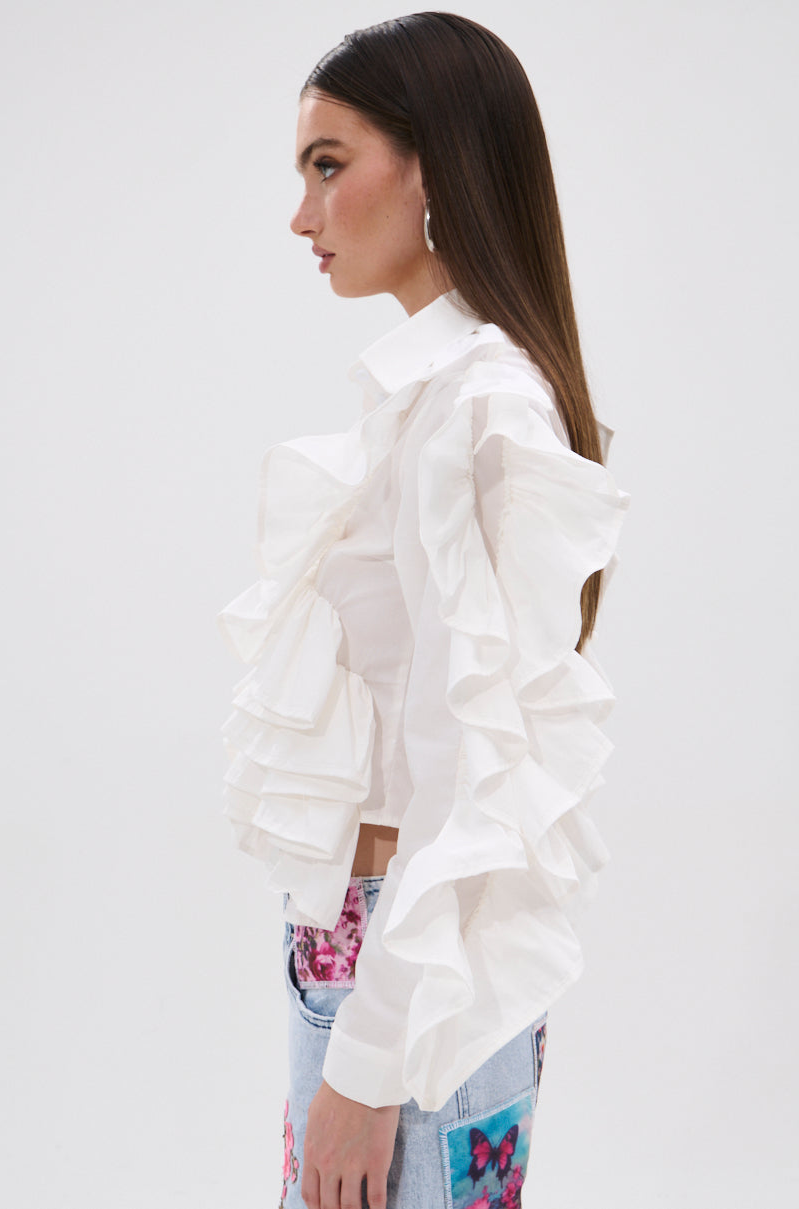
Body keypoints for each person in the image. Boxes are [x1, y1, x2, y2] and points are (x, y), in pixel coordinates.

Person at [218, 12, 629, 1209]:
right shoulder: (429, 398)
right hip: (374, 963)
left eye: (328, 165)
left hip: (403, 987)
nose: (302, 215)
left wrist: (365, 1059)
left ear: (433, 168)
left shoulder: (476, 409)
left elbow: (465, 778)